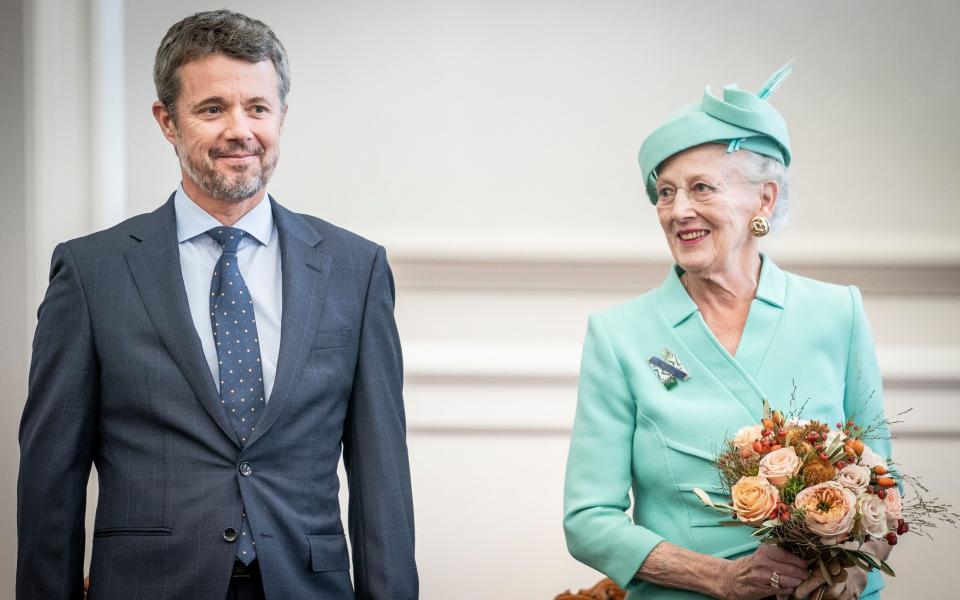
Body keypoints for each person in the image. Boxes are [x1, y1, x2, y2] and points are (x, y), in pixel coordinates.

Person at [17, 10, 417, 600]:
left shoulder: (355, 270)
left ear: (281, 115)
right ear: (167, 121)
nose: (240, 130)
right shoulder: (90, 272)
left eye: (258, 107)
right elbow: (51, 483)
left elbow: (383, 476)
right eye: (212, 109)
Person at [563, 66, 893, 600]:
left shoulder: (838, 311)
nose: (677, 211)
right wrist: (724, 579)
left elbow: (883, 483)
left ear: (763, 201)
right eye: (665, 193)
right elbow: (587, 519)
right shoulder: (620, 336)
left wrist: (854, 570)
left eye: (701, 188)